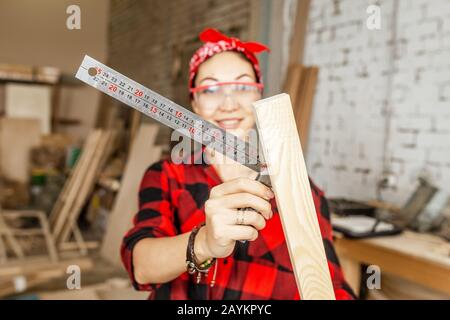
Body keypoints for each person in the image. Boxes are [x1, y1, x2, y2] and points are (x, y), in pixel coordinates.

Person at [121, 28, 355, 300]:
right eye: (210, 89)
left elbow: (331, 285)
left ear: (259, 96)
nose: (229, 104)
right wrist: (204, 242)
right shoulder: (166, 175)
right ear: (194, 103)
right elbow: (141, 269)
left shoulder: (301, 190)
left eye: (243, 87)